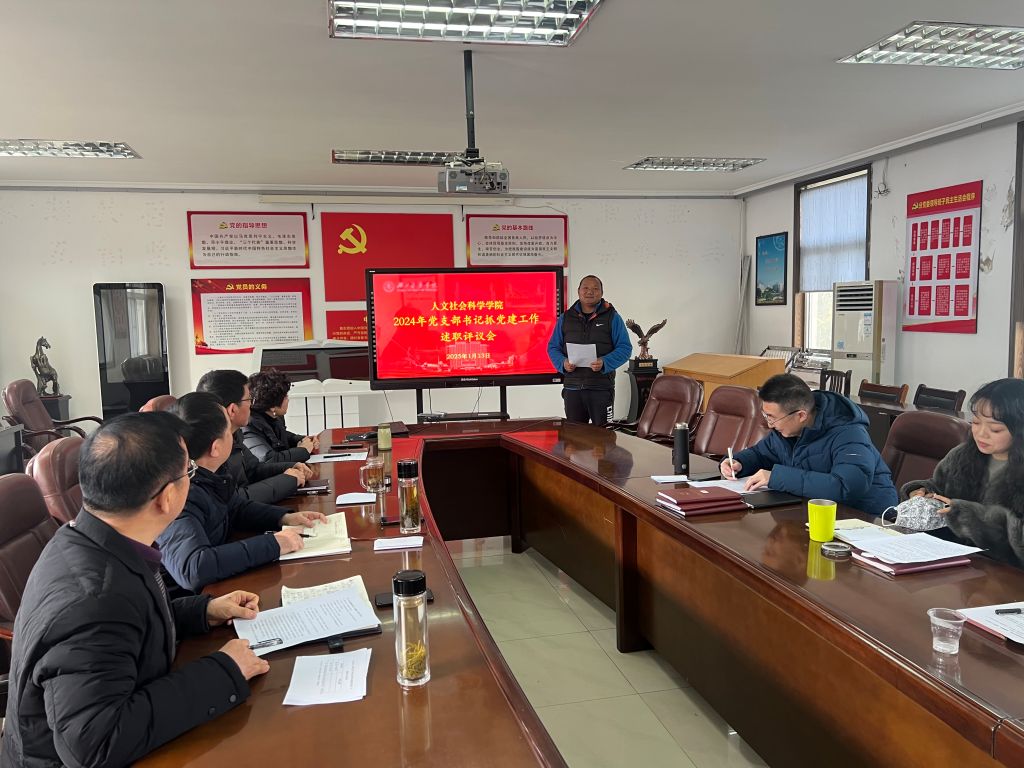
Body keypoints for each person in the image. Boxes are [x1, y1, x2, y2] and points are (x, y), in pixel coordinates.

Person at [2, 412, 270, 768]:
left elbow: (129, 623)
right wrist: (224, 670)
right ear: (167, 497)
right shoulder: (94, 599)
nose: (192, 479)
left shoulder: (94, 538)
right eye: (188, 472)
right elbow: (96, 745)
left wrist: (202, 610)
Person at [158, 392, 325, 593]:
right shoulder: (179, 491)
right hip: (190, 600)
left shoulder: (212, 473)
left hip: (220, 586)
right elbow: (194, 568)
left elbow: (236, 508)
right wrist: (274, 543)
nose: (236, 436)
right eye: (229, 431)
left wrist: (284, 518)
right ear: (216, 448)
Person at [721, 373, 897, 514]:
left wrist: (776, 477)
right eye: (766, 416)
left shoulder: (849, 433)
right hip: (814, 512)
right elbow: (761, 454)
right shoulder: (787, 430)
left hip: (866, 518)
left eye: (772, 418)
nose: (769, 424)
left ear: (801, 415)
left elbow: (846, 486)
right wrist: (739, 462)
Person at [902, 378, 1024, 568]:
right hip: (954, 562)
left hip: (1006, 573)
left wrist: (974, 517)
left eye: (995, 429)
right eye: (976, 422)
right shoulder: (962, 455)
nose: (981, 433)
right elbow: (940, 487)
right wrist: (922, 491)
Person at [197, 369, 312, 504]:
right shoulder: (210, 447)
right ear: (233, 409)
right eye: (249, 399)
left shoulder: (235, 434)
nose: (252, 405)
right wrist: (288, 480)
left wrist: (292, 466)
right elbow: (235, 500)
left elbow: (254, 470)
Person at [547, 275, 632, 426]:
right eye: (585, 288)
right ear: (578, 291)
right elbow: (553, 347)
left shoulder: (612, 317)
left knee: (604, 435)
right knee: (575, 436)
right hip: (572, 388)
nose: (590, 292)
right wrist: (563, 363)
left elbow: (625, 348)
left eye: (595, 288)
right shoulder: (566, 318)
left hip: (601, 388)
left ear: (601, 293)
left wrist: (605, 362)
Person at [243, 369, 320, 463]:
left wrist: (303, 440)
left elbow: (282, 436)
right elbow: (269, 459)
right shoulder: (249, 424)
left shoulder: (272, 416)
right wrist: (303, 450)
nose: (288, 399)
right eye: (285, 396)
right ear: (272, 406)